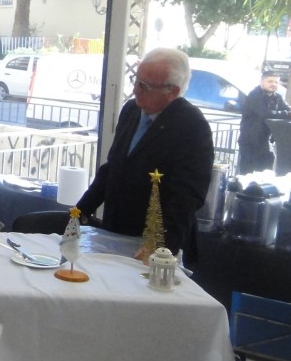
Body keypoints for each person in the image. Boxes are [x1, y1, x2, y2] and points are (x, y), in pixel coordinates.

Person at [75, 48, 214, 263]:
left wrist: (160, 247)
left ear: (172, 91)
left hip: (155, 240)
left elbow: (186, 196)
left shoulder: (192, 126)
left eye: (145, 86)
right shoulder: (131, 110)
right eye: (136, 80)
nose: (135, 89)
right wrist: (81, 210)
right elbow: (113, 167)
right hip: (116, 229)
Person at [238, 70, 291, 174]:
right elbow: (265, 113)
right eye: (270, 81)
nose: (273, 84)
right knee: (248, 172)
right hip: (250, 141)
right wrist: (289, 114)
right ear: (262, 82)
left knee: (266, 171)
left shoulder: (277, 97)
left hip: (266, 140)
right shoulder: (254, 95)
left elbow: (288, 109)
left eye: (276, 82)